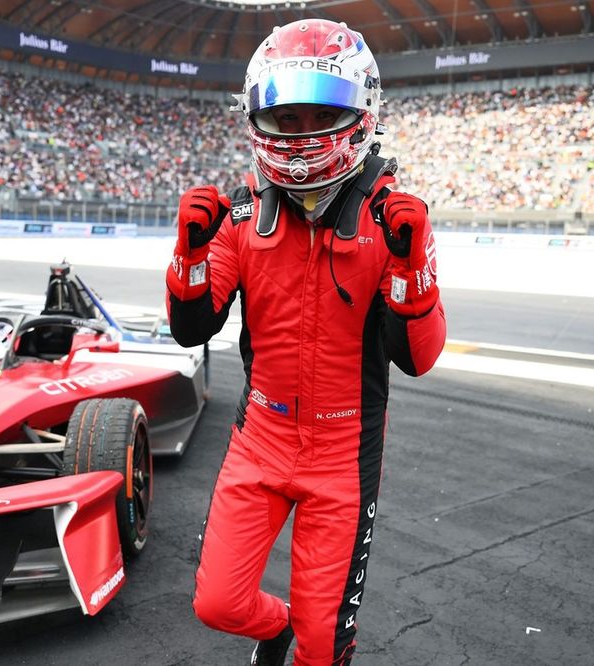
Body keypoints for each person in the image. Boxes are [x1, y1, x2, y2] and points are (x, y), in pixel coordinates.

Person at [166, 19, 447, 665]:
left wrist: (415, 271)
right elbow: (191, 328)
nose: (299, 137)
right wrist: (188, 253)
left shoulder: (391, 219)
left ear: (359, 114)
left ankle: (305, 641)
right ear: (258, 119)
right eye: (285, 119)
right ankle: (275, 629)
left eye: (317, 115)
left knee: (323, 651)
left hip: (343, 458)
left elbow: (419, 357)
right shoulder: (240, 215)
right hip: (257, 444)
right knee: (219, 605)